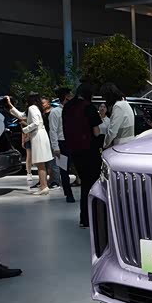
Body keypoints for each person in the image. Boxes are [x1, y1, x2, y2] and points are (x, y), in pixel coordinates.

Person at [63, 82, 103, 228]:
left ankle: (84, 218)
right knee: (92, 184)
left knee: (84, 183)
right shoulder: (88, 107)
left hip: (74, 150)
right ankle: (92, 218)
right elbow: (96, 132)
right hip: (90, 151)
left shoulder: (67, 107)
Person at [6, 94, 52, 195]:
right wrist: (10, 105)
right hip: (40, 135)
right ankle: (44, 186)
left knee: (40, 163)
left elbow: (35, 123)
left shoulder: (32, 108)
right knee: (41, 164)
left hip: (38, 136)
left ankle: (44, 187)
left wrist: (25, 130)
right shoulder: (35, 108)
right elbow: (21, 115)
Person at [49, 87, 75, 203]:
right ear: (66, 97)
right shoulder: (55, 112)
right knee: (64, 170)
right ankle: (68, 194)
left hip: (73, 142)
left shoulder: (72, 110)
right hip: (62, 143)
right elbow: (53, 130)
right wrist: (55, 147)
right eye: (70, 95)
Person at [102, 83, 134, 148]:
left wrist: (105, 144)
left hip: (121, 145)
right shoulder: (124, 103)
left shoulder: (118, 106)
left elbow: (113, 131)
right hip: (128, 143)